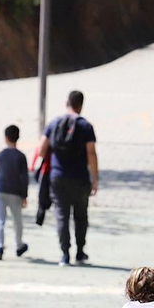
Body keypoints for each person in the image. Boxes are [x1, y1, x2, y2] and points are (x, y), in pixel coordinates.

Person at [32, 89, 98, 266]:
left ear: (66, 102)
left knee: (62, 215)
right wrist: (95, 178)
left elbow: (41, 149)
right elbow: (91, 153)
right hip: (80, 178)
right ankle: (80, 251)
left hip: (57, 177)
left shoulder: (54, 123)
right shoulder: (86, 126)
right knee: (80, 216)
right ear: (81, 105)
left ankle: (64, 254)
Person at [0, 124, 29, 260]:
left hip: (0, 190)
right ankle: (19, 245)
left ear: (5, 138)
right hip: (15, 192)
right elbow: (24, 178)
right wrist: (24, 195)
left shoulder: (1, 155)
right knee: (17, 220)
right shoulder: (21, 156)